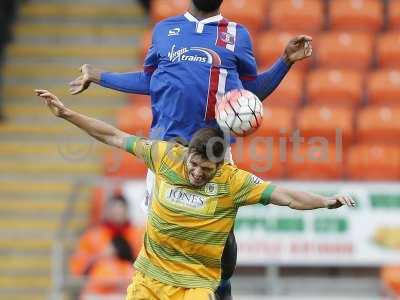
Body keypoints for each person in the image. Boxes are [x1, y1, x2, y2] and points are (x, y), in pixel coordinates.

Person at [69, 1, 312, 298]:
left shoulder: (237, 35)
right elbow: (149, 80)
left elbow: (250, 94)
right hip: (167, 153)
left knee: (222, 238)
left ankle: (220, 291)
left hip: (213, 154)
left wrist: (285, 61)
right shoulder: (164, 30)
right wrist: (100, 77)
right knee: (163, 232)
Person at [36, 89, 355, 300]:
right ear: (186, 153)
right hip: (149, 279)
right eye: (195, 164)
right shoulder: (164, 155)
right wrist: (67, 114)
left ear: (221, 166)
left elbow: (285, 196)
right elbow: (113, 136)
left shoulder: (233, 181)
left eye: (207, 169)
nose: (198, 173)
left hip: (196, 287)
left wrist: (327, 201)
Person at [70, 195, 143, 277]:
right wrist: (100, 257)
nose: (118, 212)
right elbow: (78, 267)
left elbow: (145, 263)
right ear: (108, 211)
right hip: (99, 284)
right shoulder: (93, 236)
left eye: (121, 208)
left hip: (128, 283)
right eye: (115, 209)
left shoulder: (138, 235)